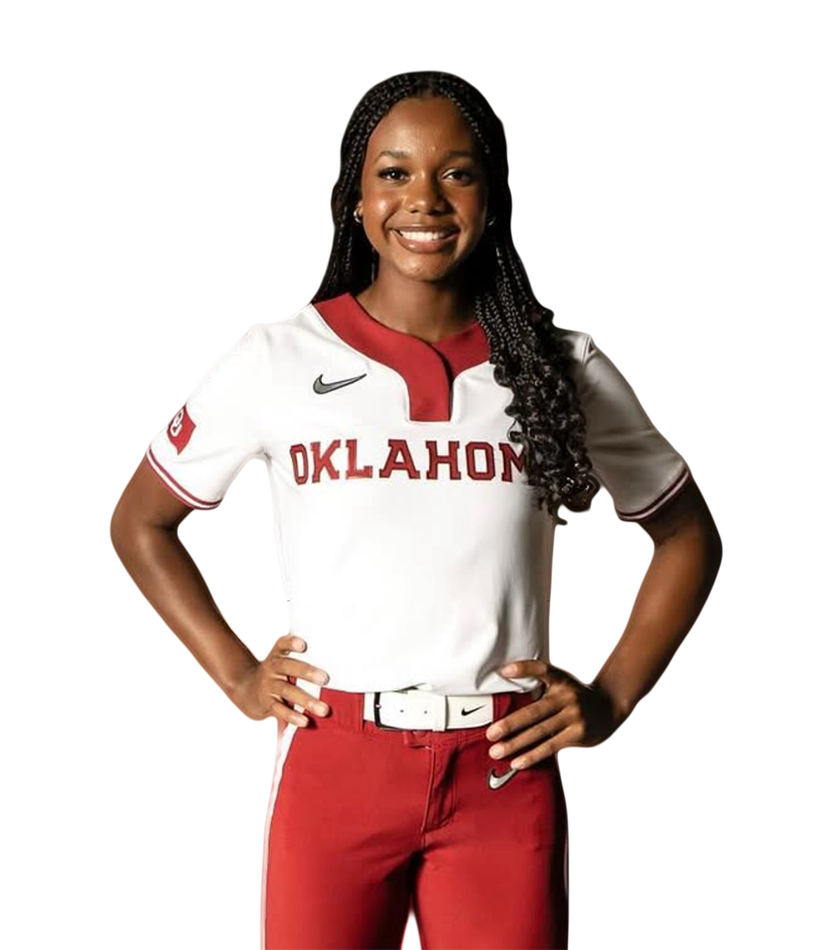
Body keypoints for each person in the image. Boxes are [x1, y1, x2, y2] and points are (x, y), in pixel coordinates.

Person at [110, 70, 720, 950]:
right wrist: (238, 673)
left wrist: (612, 697)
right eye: (393, 173)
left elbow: (681, 530)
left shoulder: (554, 365)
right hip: (334, 753)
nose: (423, 200)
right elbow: (140, 523)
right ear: (354, 202)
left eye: (456, 172)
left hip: (505, 764)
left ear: (490, 200)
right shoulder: (277, 358)